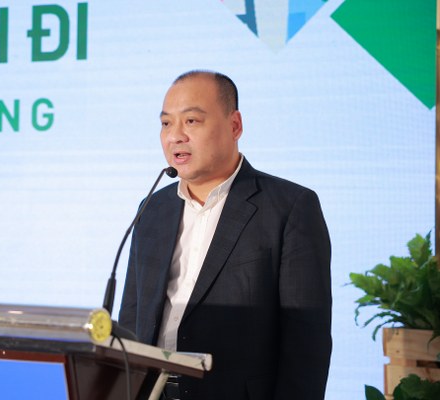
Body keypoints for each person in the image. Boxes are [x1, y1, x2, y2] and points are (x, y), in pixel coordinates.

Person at [118, 70, 332, 400]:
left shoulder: (289, 207)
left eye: (191, 121)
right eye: (166, 123)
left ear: (234, 126)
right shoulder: (152, 209)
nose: (175, 136)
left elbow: (307, 344)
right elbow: (131, 321)